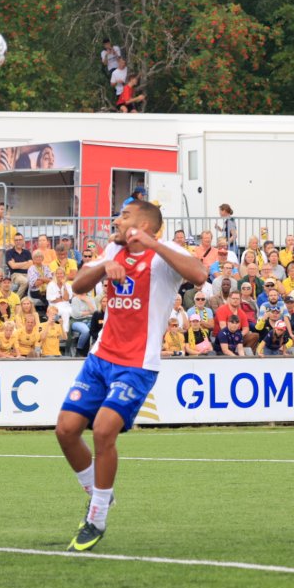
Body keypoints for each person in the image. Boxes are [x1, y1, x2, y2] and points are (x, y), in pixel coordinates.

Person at [55, 200, 206, 553]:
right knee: (65, 429)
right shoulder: (113, 249)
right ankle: (100, 494)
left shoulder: (163, 253)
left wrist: (152, 243)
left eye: (125, 216)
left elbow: (199, 276)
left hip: (137, 363)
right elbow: (78, 285)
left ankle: (96, 518)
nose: (116, 220)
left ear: (146, 225)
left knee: (104, 430)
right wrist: (106, 265)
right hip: (100, 358)